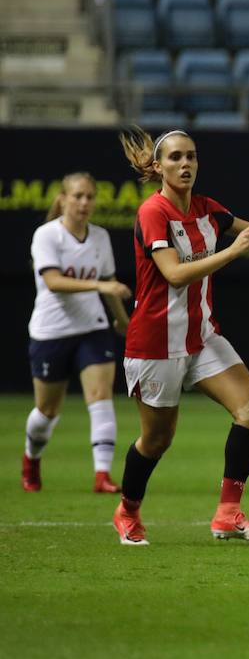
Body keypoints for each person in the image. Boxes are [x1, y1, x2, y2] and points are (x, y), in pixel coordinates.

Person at [111, 127, 249, 547]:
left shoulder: (206, 209)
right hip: (155, 343)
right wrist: (231, 253)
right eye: (176, 157)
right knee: (157, 439)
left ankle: (227, 513)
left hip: (201, 336)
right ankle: (127, 511)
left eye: (192, 157)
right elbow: (174, 274)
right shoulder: (153, 212)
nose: (185, 164)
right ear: (159, 166)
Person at [23, 173, 131, 493]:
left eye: (90, 197)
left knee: (100, 397)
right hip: (51, 332)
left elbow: (110, 285)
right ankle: (32, 458)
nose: (84, 203)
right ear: (63, 199)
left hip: (92, 328)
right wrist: (99, 285)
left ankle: (102, 475)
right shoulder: (47, 235)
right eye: (78, 196)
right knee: (47, 411)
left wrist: (122, 321)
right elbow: (54, 282)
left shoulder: (100, 237)